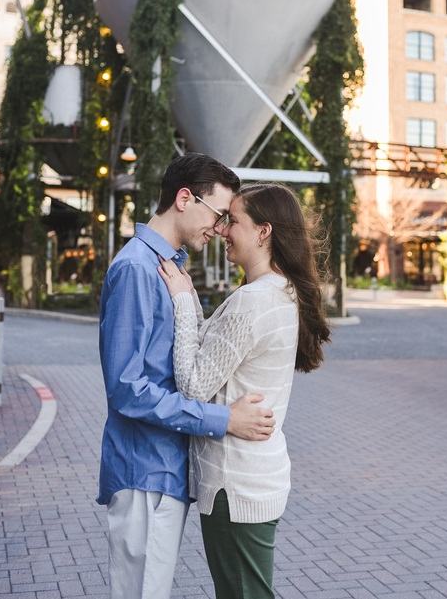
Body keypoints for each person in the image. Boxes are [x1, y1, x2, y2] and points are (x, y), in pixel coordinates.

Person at [97, 153, 276, 599]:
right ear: (183, 199)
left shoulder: (167, 266)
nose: (218, 229)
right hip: (144, 472)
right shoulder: (139, 269)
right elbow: (127, 388)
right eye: (217, 215)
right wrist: (223, 420)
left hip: (163, 470)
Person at [159, 181, 331, 599]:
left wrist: (182, 301)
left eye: (233, 221)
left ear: (263, 231)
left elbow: (195, 385)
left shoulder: (254, 300)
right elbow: (216, 353)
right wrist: (194, 302)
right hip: (251, 478)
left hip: (234, 486)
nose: (221, 230)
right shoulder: (276, 292)